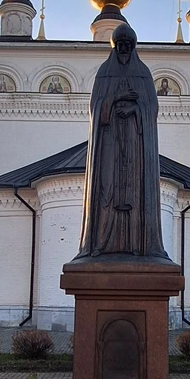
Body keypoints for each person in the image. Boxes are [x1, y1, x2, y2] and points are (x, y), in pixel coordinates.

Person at [77, 22, 167, 259]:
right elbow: (96, 109)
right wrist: (118, 98)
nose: (124, 49)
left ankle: (139, 244)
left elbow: (151, 108)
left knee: (135, 195)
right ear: (115, 47)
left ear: (134, 47)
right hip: (110, 145)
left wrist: (134, 111)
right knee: (107, 192)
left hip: (136, 146)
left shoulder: (143, 73)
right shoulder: (104, 73)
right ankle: (101, 242)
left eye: (128, 45)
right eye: (120, 45)